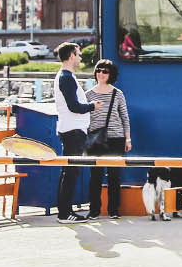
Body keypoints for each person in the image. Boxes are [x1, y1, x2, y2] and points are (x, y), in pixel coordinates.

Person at [52, 41, 96, 223]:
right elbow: (74, 106)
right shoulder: (66, 77)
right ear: (71, 55)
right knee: (70, 172)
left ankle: (65, 211)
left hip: (72, 129)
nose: (80, 57)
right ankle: (64, 213)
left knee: (69, 172)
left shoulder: (66, 76)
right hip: (72, 130)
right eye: (78, 54)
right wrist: (93, 106)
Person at [85, 59, 132, 220]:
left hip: (116, 138)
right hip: (95, 139)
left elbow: (125, 117)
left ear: (111, 74)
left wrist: (128, 139)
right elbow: (84, 118)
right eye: (99, 70)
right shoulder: (88, 94)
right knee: (95, 176)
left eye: (105, 71)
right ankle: (94, 210)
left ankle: (113, 209)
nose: (101, 74)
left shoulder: (117, 93)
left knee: (114, 175)